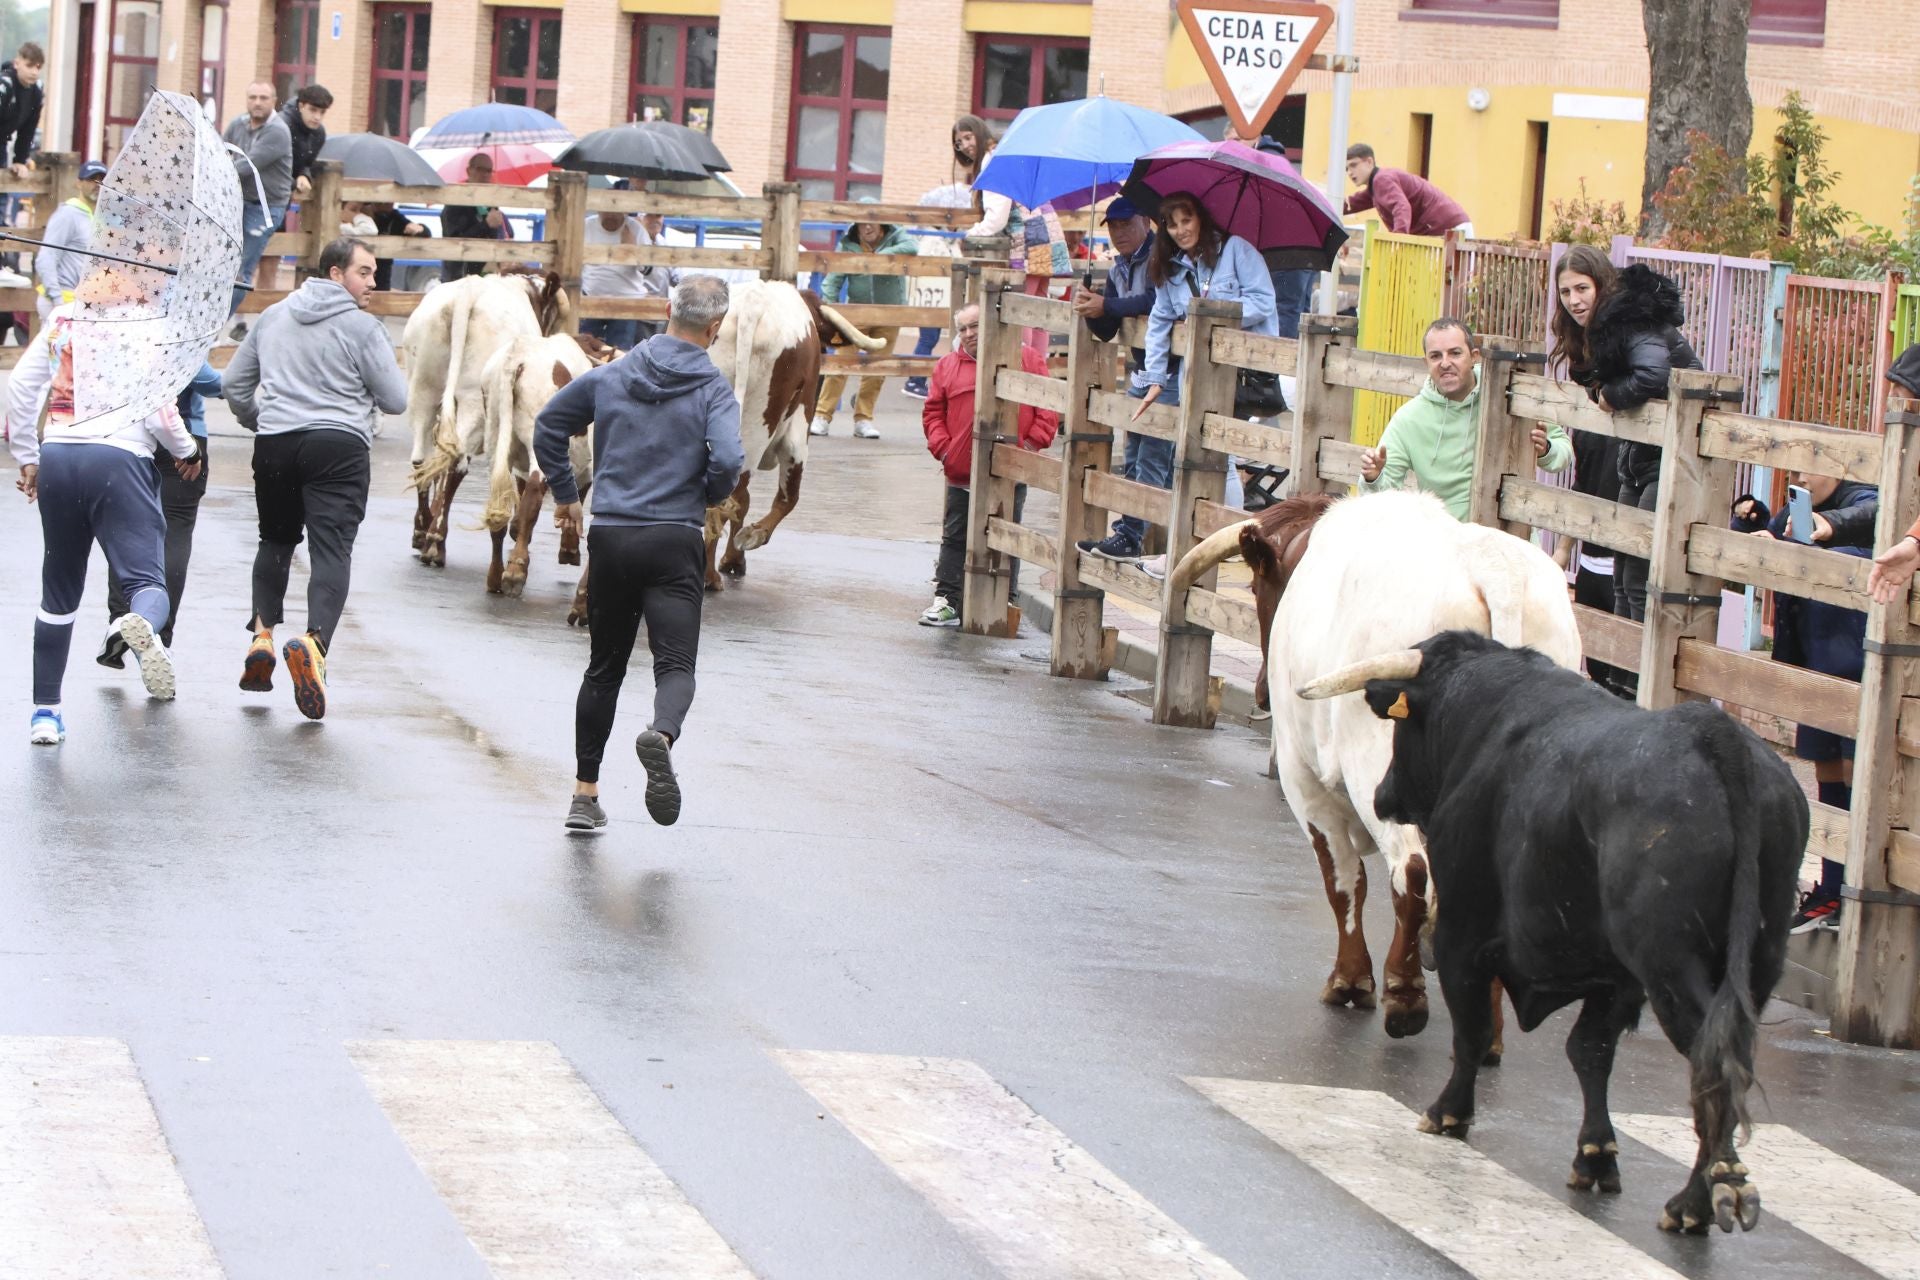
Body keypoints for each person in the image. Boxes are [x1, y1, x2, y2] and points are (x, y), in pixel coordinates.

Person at [533, 275, 744, 834]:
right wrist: (708, 493)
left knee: (604, 669)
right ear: (716, 326)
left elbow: (549, 424)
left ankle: (584, 796)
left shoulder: (612, 374)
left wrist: (567, 494)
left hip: (612, 536)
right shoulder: (713, 388)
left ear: (666, 308)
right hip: (675, 538)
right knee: (675, 666)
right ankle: (661, 735)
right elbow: (728, 459)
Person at [221, 238, 407, 721]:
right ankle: (314, 644)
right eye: (364, 272)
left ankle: (262, 635)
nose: (373, 282)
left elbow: (233, 385)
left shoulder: (273, 317)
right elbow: (395, 399)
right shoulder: (363, 328)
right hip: (338, 447)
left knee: (275, 541)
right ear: (334, 273)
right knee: (331, 551)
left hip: (276, 443)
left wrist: (259, 420)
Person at [9, 302, 203, 744]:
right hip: (120, 458)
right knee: (146, 584)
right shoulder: (152, 321)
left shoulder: (65, 315)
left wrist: (27, 455)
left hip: (58, 454)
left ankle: (45, 713)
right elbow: (160, 411)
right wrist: (187, 449)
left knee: (58, 592)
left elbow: (21, 386)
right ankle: (129, 625)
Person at [1753, 471, 1879, 931]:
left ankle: (1852, 892)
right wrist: (1755, 527)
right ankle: (1829, 889)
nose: (1800, 477)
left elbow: (1874, 511)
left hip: (1856, 669)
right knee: (1824, 767)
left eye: (1810, 468)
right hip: (1815, 662)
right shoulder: (1800, 504)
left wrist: (1831, 527)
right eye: (1796, 469)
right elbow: (1771, 533)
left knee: (1853, 772)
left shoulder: (1865, 496)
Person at [1548, 245, 1700, 624]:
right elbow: (1596, 378)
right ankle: (1622, 662)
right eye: (1566, 292)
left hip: (1676, 455)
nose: (1574, 300)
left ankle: (1639, 662)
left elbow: (1652, 374)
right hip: (1639, 454)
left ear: (1601, 284)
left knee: (1637, 574)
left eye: (1582, 289)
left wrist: (1610, 396)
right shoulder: (1596, 330)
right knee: (1622, 574)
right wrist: (1599, 389)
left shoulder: (1630, 320)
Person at [1125, 192, 1276, 505]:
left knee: (1223, 457)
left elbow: (1263, 302)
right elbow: (1159, 320)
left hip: (1240, 372)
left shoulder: (1236, 249)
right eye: (1172, 224)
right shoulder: (1170, 268)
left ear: (1201, 219)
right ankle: (1201, 530)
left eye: (1186, 220)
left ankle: (1227, 533)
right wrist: (1156, 377)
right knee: (1197, 454)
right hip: (1196, 375)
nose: (1180, 230)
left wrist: (1212, 315)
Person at [919, 304, 1059, 627]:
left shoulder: (1027, 360)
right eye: (963, 329)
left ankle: (1006, 601)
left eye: (975, 326)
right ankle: (947, 600)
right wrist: (945, 451)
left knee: (1008, 534)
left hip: (1012, 469)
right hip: (962, 469)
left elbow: (1047, 408)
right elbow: (933, 412)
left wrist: (1029, 447)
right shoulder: (948, 366)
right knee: (955, 535)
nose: (969, 334)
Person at [1359, 317, 1569, 516]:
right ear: (1426, 363)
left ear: (1474, 356)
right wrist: (1373, 477)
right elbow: (1381, 494)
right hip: (1447, 537)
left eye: (1455, 353)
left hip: (1507, 535)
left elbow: (1564, 454)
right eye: (1435, 356)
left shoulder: (1508, 395)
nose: (1445, 363)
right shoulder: (1409, 418)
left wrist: (1546, 449)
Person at [97, 363, 224, 668]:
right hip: (183, 437)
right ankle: (160, 635)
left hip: (127, 437)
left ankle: (119, 620)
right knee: (175, 535)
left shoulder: (123, 337)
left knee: (124, 530)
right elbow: (211, 383)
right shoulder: (181, 339)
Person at [1071, 197, 1168, 561]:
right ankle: (1135, 537)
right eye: (1113, 226)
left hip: (1168, 370)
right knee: (1135, 455)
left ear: (1145, 220)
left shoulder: (1162, 256)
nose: (1119, 232)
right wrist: (1091, 307)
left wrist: (1106, 305)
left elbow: (1155, 300)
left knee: (1151, 458)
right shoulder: (1117, 268)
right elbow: (1109, 329)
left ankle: (1131, 536)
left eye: (1126, 224)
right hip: (1141, 370)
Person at [811, 209, 915, 439]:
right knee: (841, 364)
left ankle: (863, 419)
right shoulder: (848, 245)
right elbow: (833, 279)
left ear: (882, 224)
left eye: (872, 223)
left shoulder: (896, 237)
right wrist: (828, 307)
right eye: (862, 223)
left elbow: (912, 247)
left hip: (889, 315)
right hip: (856, 315)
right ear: (856, 226)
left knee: (877, 369)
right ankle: (822, 416)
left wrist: (880, 256)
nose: (867, 227)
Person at [1562, 429, 1632, 698]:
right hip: (1590, 564)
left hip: (1623, 567)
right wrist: (1563, 549)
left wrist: (1563, 550)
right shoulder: (1586, 431)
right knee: (1599, 671)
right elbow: (1581, 487)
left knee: (1622, 676)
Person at [224, 82, 293, 323]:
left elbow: (248, 165)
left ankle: (219, 324)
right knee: (221, 260)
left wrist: (216, 173)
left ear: (274, 101)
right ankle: (230, 323)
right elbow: (221, 151)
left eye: (264, 98)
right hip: (237, 201)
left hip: (266, 206)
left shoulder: (278, 131)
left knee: (242, 266)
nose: (257, 102)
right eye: (253, 97)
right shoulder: (237, 124)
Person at [1344, 144, 1472, 238]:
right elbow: (1351, 204)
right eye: (1346, 169)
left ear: (1369, 162)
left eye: (1354, 165)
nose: (1350, 172)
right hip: (1443, 232)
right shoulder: (1375, 187)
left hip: (1451, 230)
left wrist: (1398, 239)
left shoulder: (1381, 180)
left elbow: (1401, 207)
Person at [32, 159, 104, 321]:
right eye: (91, 179)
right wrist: (58, 300)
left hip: (82, 301)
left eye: (101, 180)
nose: (97, 184)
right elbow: (46, 257)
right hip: (63, 299)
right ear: (78, 183)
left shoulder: (99, 218)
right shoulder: (68, 214)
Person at [439, 153, 509, 282]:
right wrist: (486, 224)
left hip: (483, 273)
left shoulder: (491, 200)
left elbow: (494, 236)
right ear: (469, 170)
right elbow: (453, 238)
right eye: (480, 169)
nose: (485, 174)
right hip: (458, 273)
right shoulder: (456, 198)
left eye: (489, 170)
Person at [278, 84, 331, 202]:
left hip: (283, 194)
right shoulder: (281, 126)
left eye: (322, 112)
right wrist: (294, 183)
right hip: (263, 193)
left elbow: (307, 164)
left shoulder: (319, 133)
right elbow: (271, 166)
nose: (317, 117)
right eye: (313, 110)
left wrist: (304, 175)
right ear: (301, 106)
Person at [0, 43, 44, 180]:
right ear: (17, 64)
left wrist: (20, 160)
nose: (34, 72)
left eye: (38, 67)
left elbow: (28, 130)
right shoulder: (5, 85)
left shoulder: (36, 92)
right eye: (29, 66)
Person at [363, 201, 428, 291]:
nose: (390, 205)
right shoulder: (361, 215)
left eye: (391, 202)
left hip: (382, 279)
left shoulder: (393, 218)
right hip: (362, 274)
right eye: (386, 202)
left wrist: (420, 229)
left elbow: (423, 233)